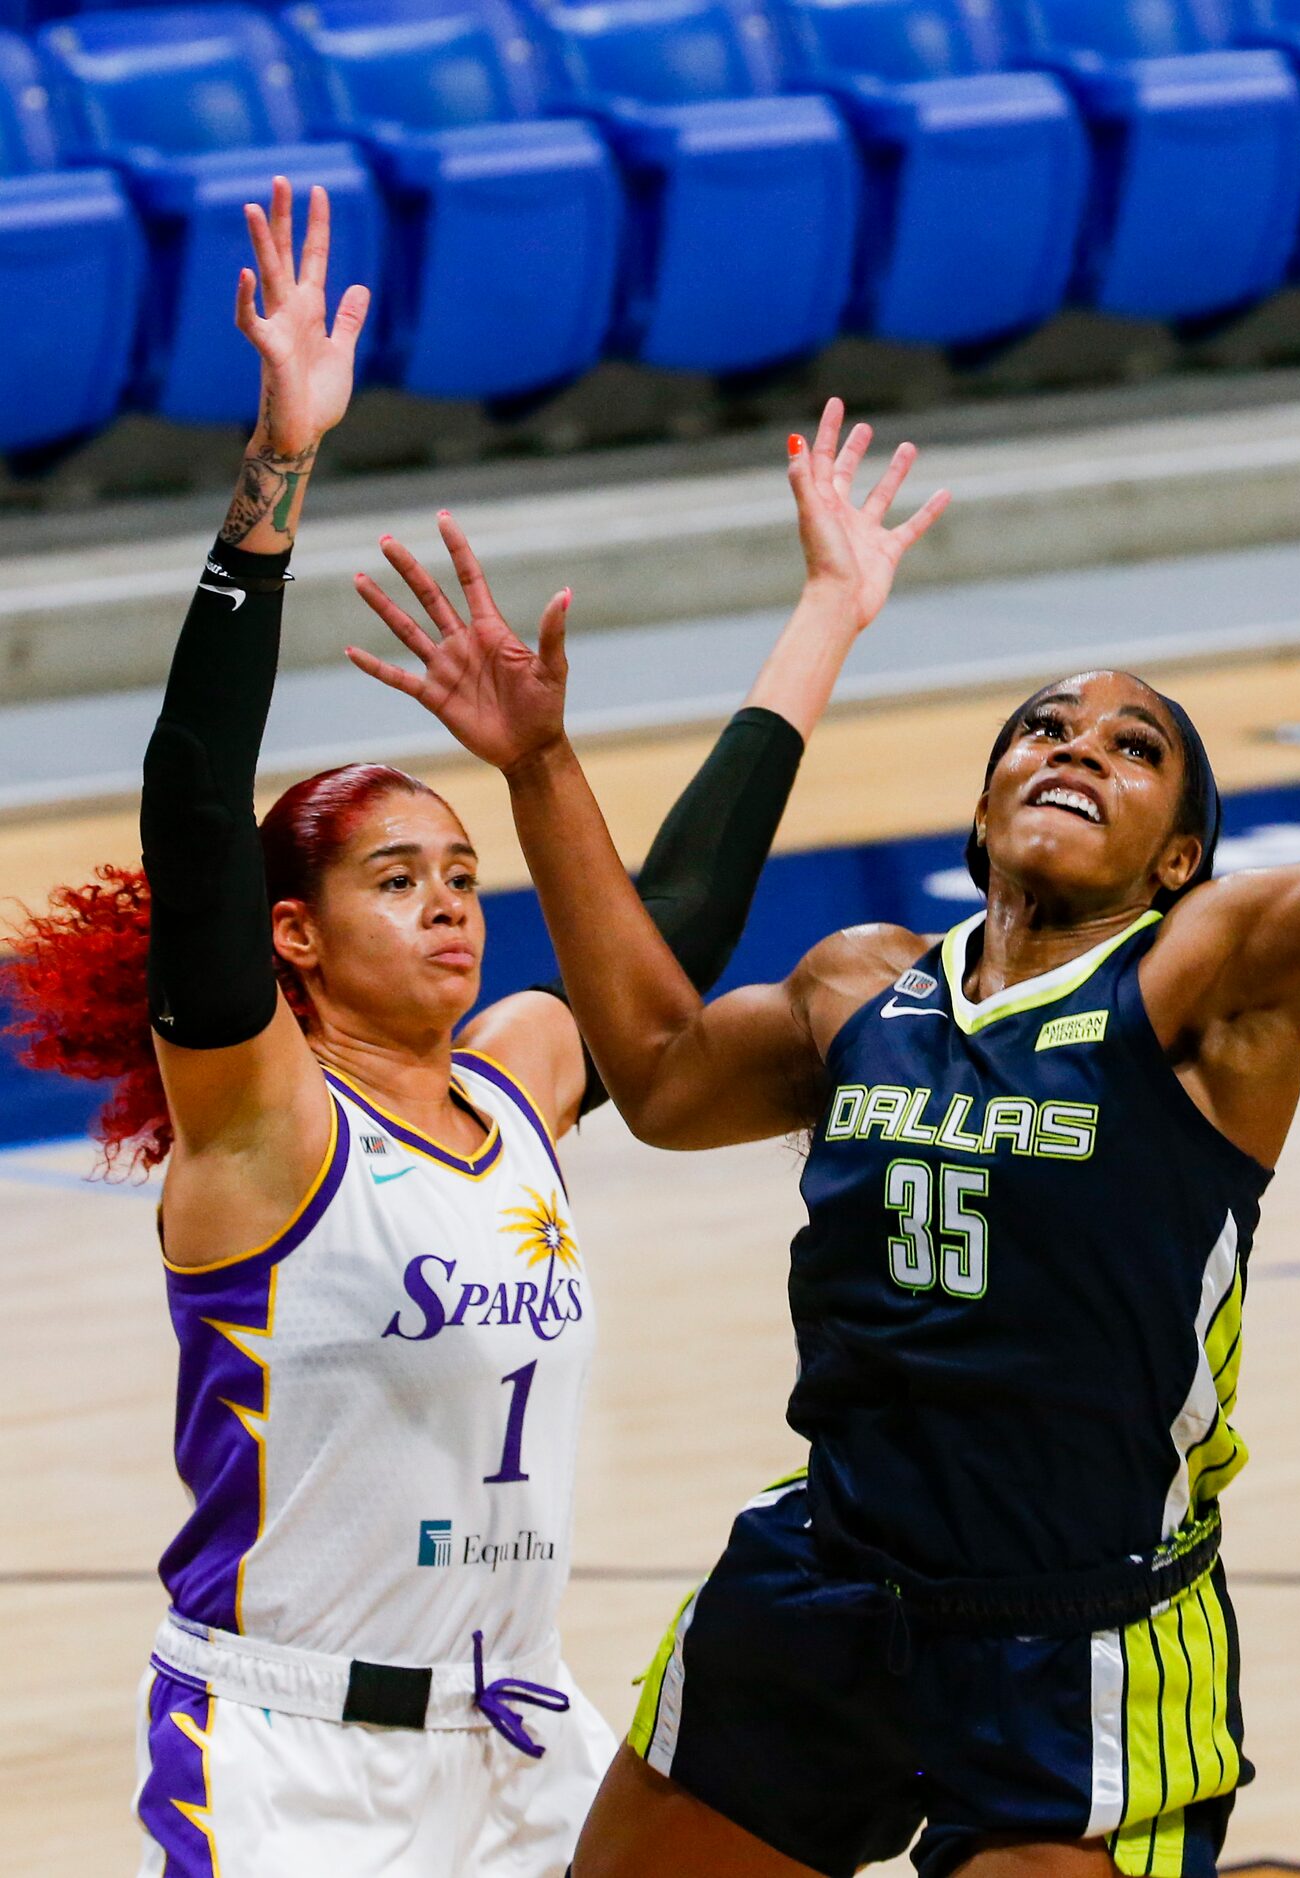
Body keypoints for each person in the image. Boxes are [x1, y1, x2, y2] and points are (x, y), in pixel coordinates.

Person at [347, 336, 1300, 1878]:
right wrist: (542, 761)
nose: (1080, 743)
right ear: (983, 807)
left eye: (1136, 748)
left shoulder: (1207, 977)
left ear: (1175, 863)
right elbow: (665, 1079)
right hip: (823, 1585)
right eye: (1046, 727)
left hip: (1072, 1632)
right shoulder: (858, 986)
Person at [0, 180, 942, 1876]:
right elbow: (196, 800)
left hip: (516, 1739)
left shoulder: (513, 1079)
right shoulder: (261, 1123)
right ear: (292, 933)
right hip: (290, 1756)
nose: (453, 899)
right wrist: (275, 476)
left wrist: (826, 616)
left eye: (460, 870)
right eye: (395, 878)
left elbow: (672, 928)